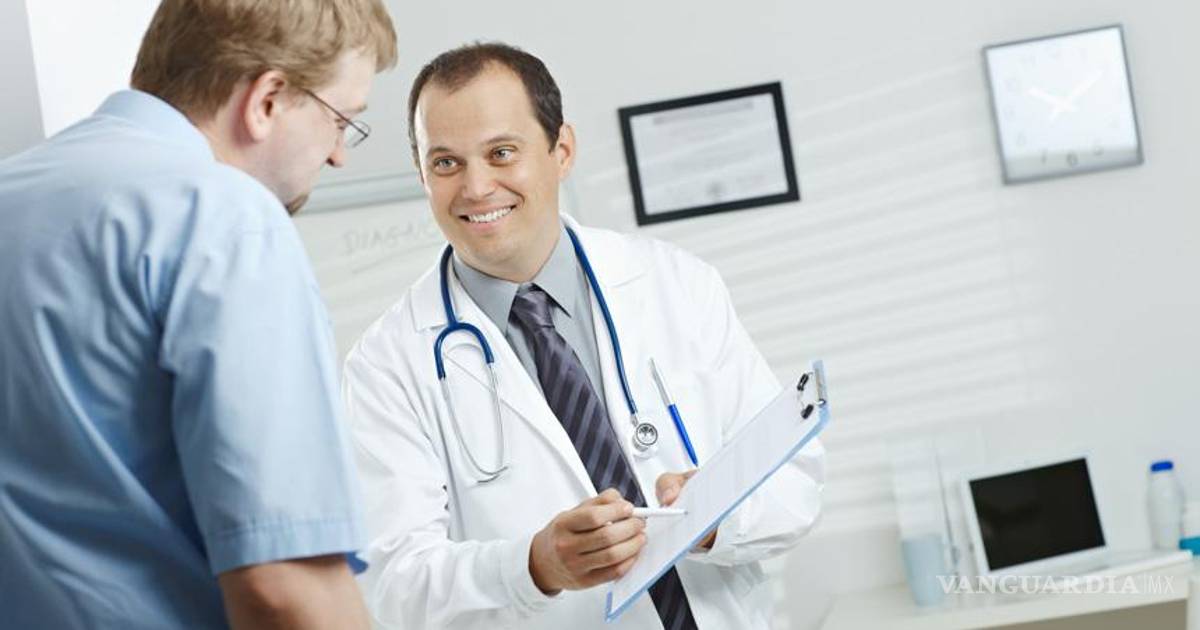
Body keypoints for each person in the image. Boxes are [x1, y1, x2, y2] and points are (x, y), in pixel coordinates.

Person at [343, 42, 825, 630]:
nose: (476, 187)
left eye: (501, 153)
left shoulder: (677, 285)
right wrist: (533, 567)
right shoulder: (386, 365)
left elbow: (794, 483)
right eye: (445, 162)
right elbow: (393, 584)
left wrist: (715, 519)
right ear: (422, 173)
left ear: (562, 150)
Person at [0, 1, 396, 628]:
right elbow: (283, 587)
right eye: (341, 120)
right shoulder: (224, 216)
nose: (339, 155)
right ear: (267, 100)